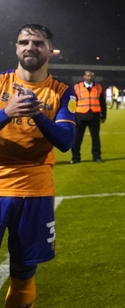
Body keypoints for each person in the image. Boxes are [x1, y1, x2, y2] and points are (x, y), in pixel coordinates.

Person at [0, 24, 76, 308]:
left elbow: (66, 141)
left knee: (24, 270)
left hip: (35, 191)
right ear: (16, 48)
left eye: (38, 43)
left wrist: (39, 115)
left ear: (50, 51)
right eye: (24, 42)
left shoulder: (63, 92)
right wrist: (7, 113)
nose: (30, 47)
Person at [70, 71, 106, 163]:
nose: (89, 77)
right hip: (80, 116)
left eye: (91, 76)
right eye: (88, 76)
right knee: (77, 138)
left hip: (94, 116)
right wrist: (71, 115)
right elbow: (72, 103)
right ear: (84, 76)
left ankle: (97, 157)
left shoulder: (98, 87)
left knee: (95, 138)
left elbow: (102, 102)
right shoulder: (77, 87)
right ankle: (75, 157)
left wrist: (104, 115)